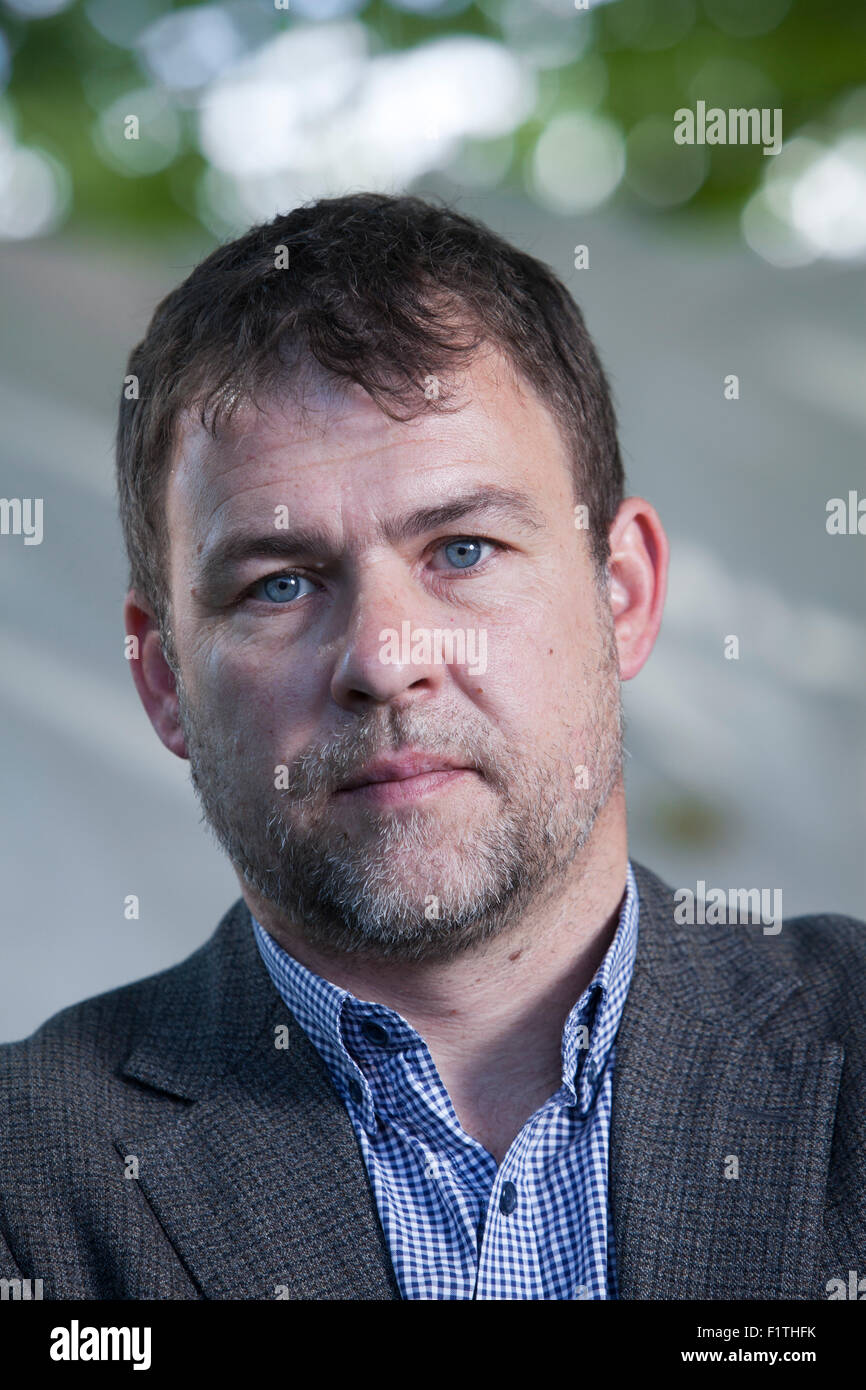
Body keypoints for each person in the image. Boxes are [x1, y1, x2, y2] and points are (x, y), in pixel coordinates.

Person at [1, 194, 863, 1301]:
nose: (382, 657)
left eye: (462, 547)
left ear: (625, 596)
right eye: (279, 583)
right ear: (164, 676)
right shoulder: (26, 1186)